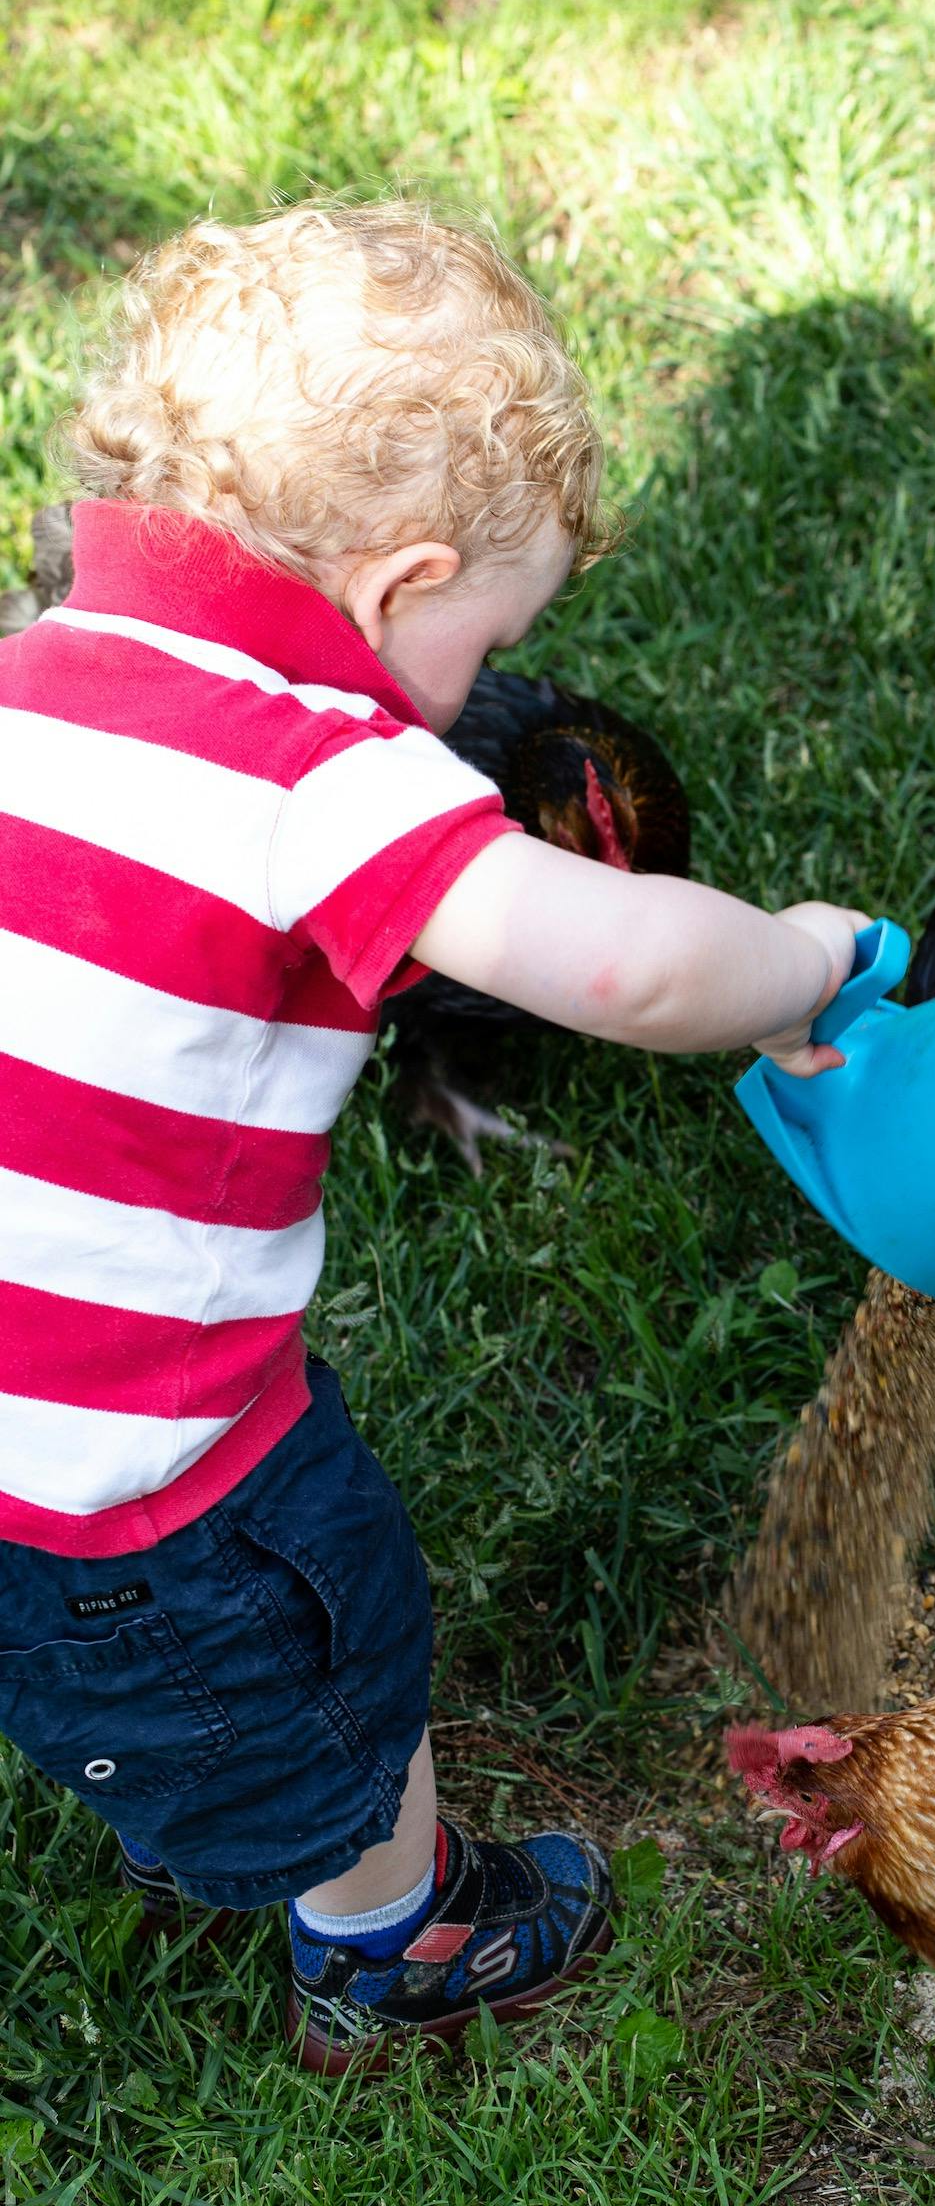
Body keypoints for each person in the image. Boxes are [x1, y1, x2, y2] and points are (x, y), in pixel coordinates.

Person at [0, 201, 871, 2073]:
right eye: (494, 639)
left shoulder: (27, 677)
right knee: (330, 1654)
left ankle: (133, 1732)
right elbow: (627, 966)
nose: (480, 687)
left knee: (100, 1658)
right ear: (398, 590)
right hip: (153, 1475)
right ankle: (386, 1936)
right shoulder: (315, 768)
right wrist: (799, 959)